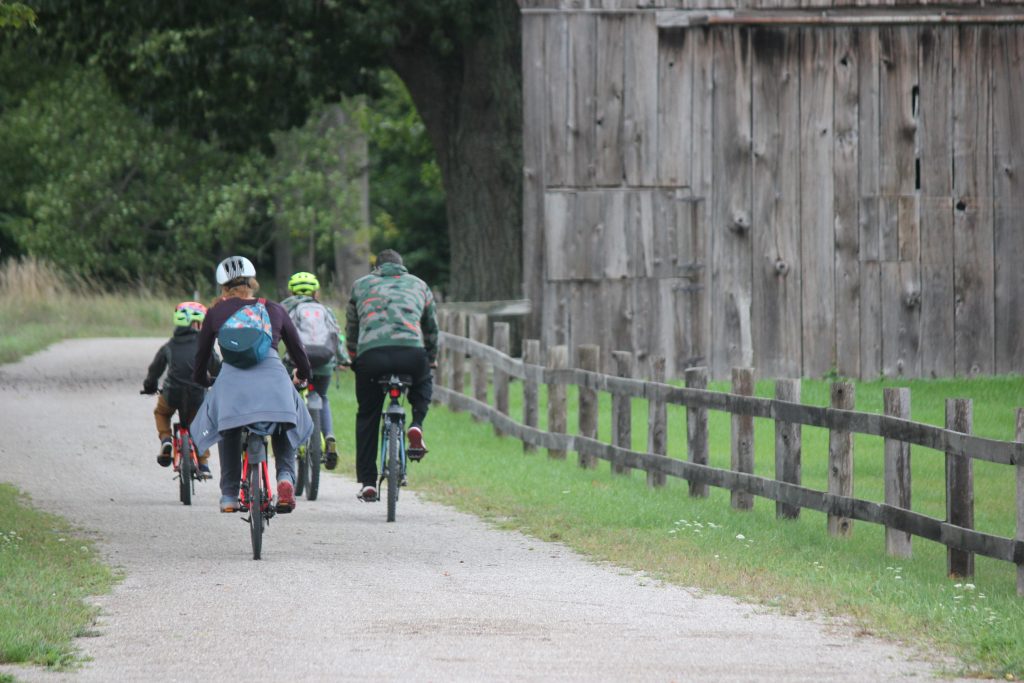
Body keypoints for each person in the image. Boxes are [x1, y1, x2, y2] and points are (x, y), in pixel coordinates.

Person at [189, 256, 314, 513]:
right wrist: (302, 374)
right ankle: (285, 478)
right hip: (274, 377)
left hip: (232, 380)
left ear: (223, 286)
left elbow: (200, 358)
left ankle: (229, 494)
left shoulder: (215, 313)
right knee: (283, 422)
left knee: (229, 426)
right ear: (253, 282)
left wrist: (204, 380)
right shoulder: (274, 309)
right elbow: (299, 353)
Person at [346, 249, 438, 502]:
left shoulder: (361, 285)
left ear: (376, 267)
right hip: (411, 353)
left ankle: (367, 482)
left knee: (367, 413)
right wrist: (431, 358)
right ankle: (416, 424)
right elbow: (431, 328)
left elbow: (352, 327)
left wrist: (354, 356)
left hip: (371, 357)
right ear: (402, 267)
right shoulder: (419, 285)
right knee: (424, 380)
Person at [141, 301, 221, 478]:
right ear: (197, 324)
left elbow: (154, 370)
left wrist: (149, 387)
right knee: (201, 423)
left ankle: (166, 440)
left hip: (172, 393)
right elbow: (217, 368)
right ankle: (203, 462)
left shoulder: (169, 345)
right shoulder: (205, 345)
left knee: (161, 413)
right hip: (197, 396)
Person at [280, 271, 349, 470]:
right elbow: (337, 335)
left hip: (296, 362)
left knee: (291, 396)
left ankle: (293, 441)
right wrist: (342, 359)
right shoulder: (325, 310)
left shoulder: (287, 308)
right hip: (324, 362)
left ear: (292, 291)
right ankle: (329, 437)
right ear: (316, 293)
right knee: (322, 396)